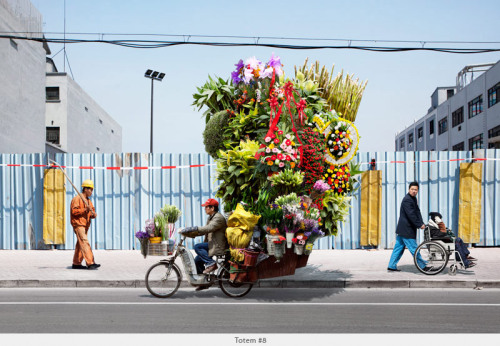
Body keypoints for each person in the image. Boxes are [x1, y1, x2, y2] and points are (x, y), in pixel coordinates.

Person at [181, 198, 227, 291]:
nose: (205, 209)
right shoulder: (211, 217)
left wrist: (195, 228)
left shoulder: (218, 218)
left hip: (218, 245)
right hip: (212, 243)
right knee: (197, 260)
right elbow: (205, 232)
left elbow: (208, 228)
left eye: (206, 207)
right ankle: (204, 282)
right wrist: (190, 233)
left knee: (197, 247)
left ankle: (211, 263)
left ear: (212, 208)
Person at [387, 182, 429, 272]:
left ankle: (391, 265)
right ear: (409, 189)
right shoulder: (407, 200)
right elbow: (411, 215)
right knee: (414, 249)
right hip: (406, 229)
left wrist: (421, 222)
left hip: (403, 229)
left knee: (398, 249)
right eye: (412, 189)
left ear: (417, 191)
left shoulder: (413, 199)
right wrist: (419, 224)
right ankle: (422, 266)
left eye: (416, 190)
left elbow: (417, 212)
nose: (414, 191)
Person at [70, 179, 100, 270]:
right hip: (78, 224)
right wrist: (84, 210)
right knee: (84, 242)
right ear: (85, 189)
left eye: (92, 189)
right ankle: (90, 263)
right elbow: (74, 211)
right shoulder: (77, 199)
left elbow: (91, 212)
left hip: (85, 225)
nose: (91, 191)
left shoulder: (88, 201)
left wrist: (93, 214)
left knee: (80, 244)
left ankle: (76, 263)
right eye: (90, 189)